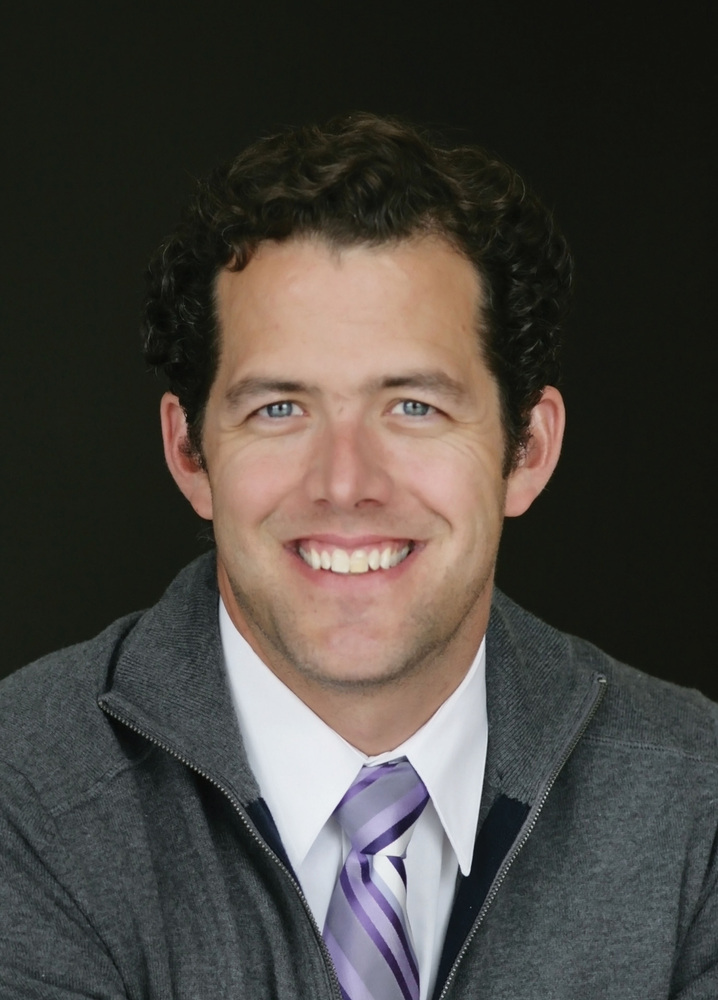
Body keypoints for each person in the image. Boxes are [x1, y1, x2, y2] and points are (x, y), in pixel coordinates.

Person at [1, 113, 716, 1000]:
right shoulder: (23, 794)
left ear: (527, 450)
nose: (345, 484)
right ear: (190, 454)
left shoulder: (699, 802)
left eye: (414, 407)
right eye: (279, 409)